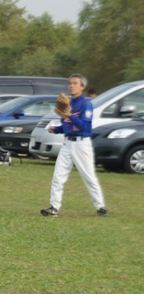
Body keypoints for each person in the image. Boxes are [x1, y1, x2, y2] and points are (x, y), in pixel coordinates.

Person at [41, 74, 108, 217]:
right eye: (70, 83)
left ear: (82, 87)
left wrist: (70, 115)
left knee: (89, 177)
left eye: (75, 83)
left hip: (81, 144)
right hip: (67, 143)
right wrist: (56, 129)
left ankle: (100, 207)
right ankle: (54, 207)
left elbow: (85, 126)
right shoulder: (68, 103)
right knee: (58, 176)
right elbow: (67, 126)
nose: (71, 86)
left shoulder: (86, 104)